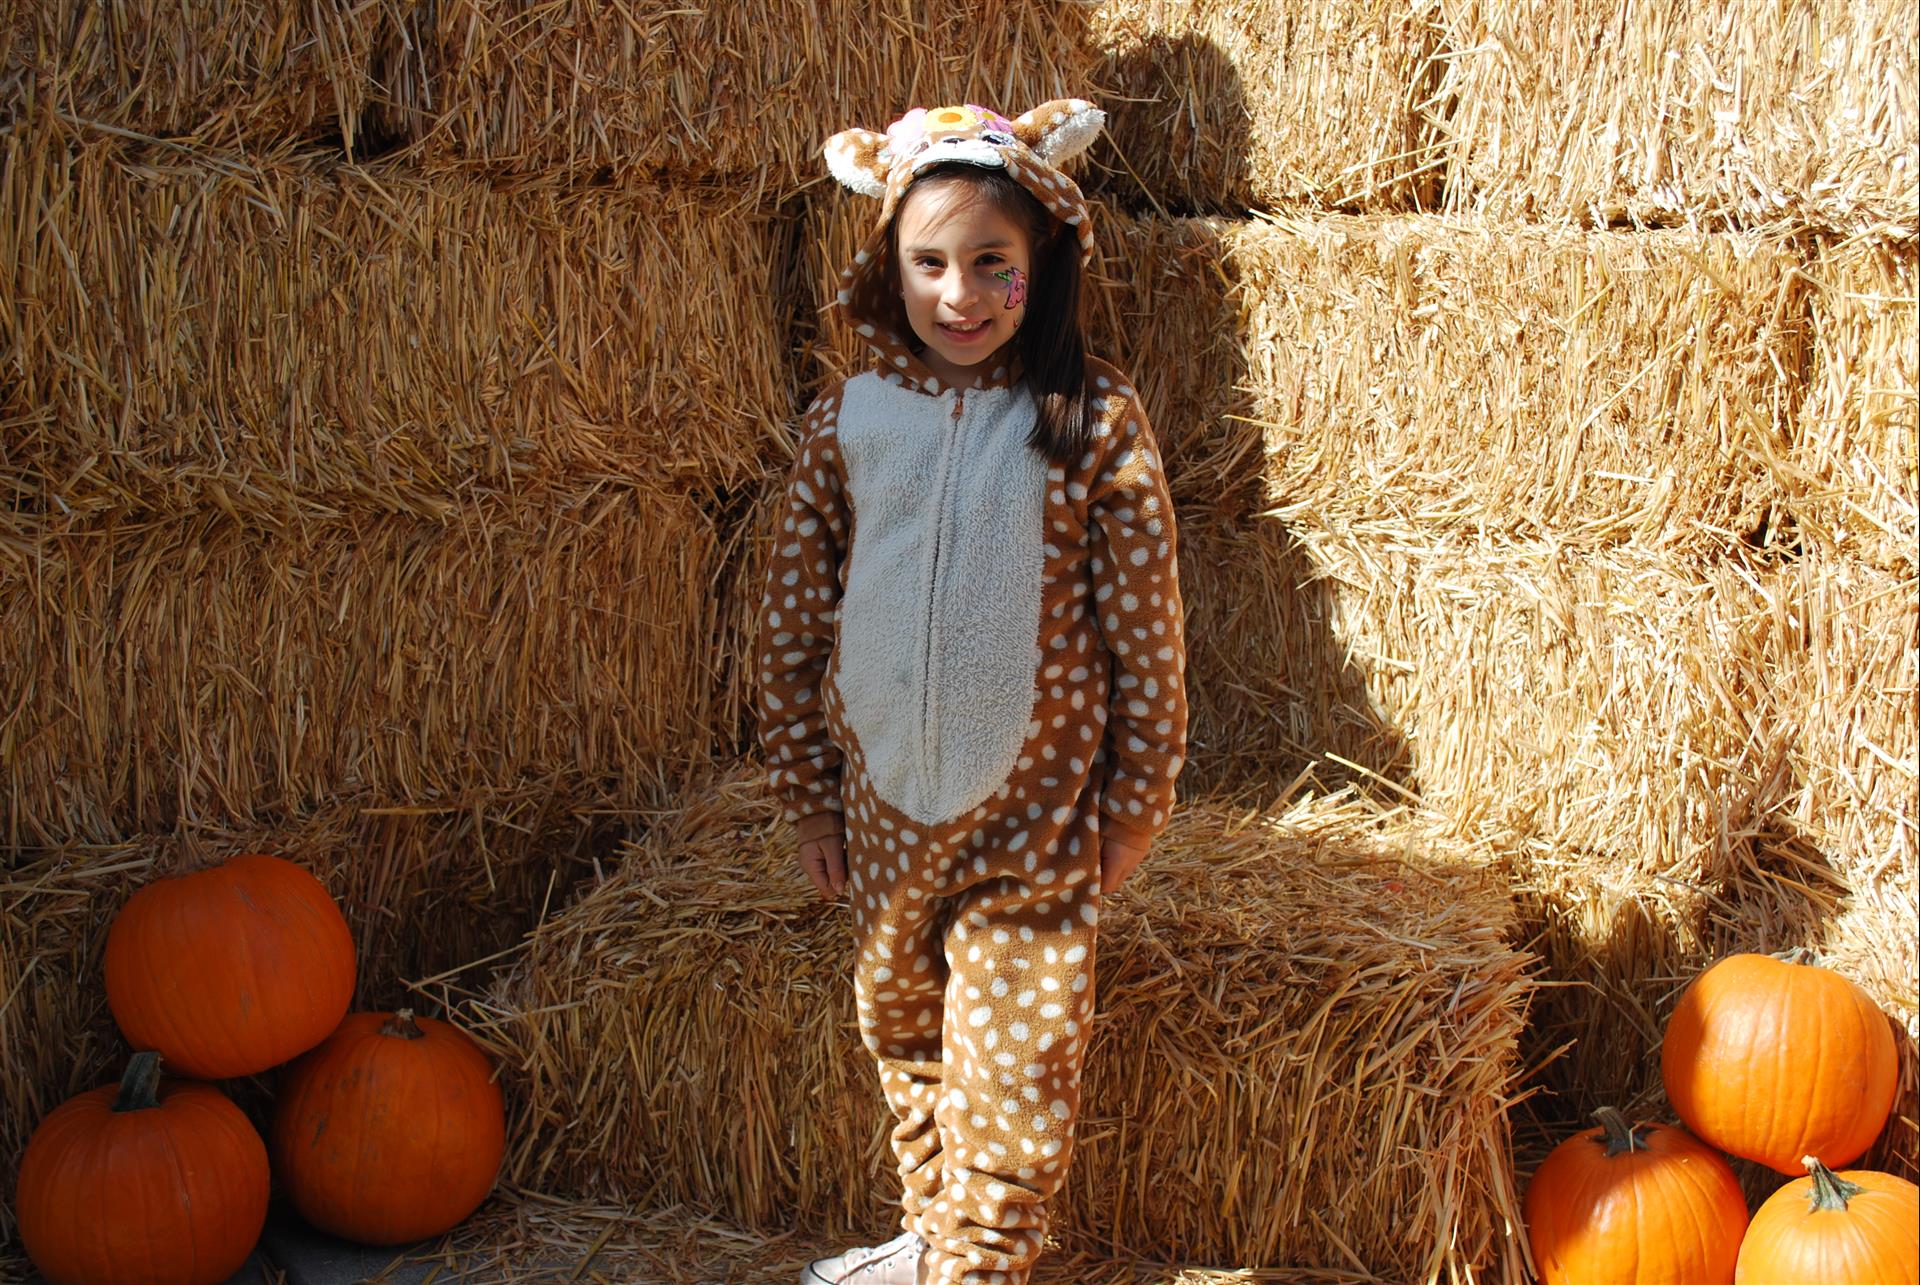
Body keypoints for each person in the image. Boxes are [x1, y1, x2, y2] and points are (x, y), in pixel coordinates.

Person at [755, 98, 1188, 1285]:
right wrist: (808, 795)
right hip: (889, 818)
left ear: (1040, 264)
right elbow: (795, 620)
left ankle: (980, 1263)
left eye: (989, 264)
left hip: (1033, 826)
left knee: (1015, 1069)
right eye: (928, 262)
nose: (958, 293)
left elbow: (1145, 624)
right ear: (887, 265)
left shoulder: (1090, 420)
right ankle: (935, 1236)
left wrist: (1139, 794)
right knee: (904, 1033)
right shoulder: (849, 421)